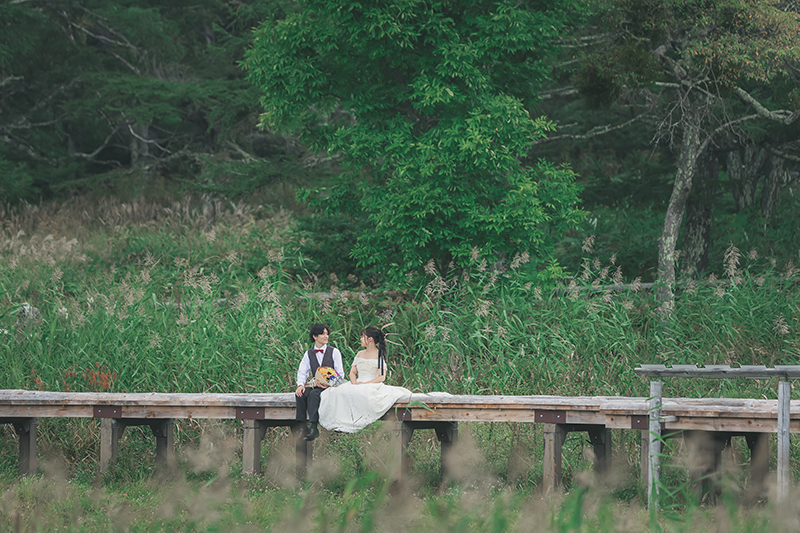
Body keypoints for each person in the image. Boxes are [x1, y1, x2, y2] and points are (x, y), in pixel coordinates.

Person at [318, 326, 412, 433]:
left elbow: (381, 377)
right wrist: (354, 382)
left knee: (363, 393)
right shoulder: (360, 353)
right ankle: (340, 423)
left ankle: (354, 423)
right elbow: (353, 372)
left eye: (363, 337)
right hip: (358, 382)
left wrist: (366, 383)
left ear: (370, 339)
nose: (361, 339)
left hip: (372, 383)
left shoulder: (379, 355)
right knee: (339, 391)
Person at [295, 323, 344, 441]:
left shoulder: (334, 352)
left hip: (330, 387)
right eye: (322, 334)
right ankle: (302, 426)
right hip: (315, 384)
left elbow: (340, 373)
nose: (326, 336)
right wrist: (300, 385)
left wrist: (328, 384)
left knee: (313, 395)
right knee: (301, 394)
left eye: (327, 334)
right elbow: (302, 371)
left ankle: (313, 427)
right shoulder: (309, 353)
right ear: (315, 336)